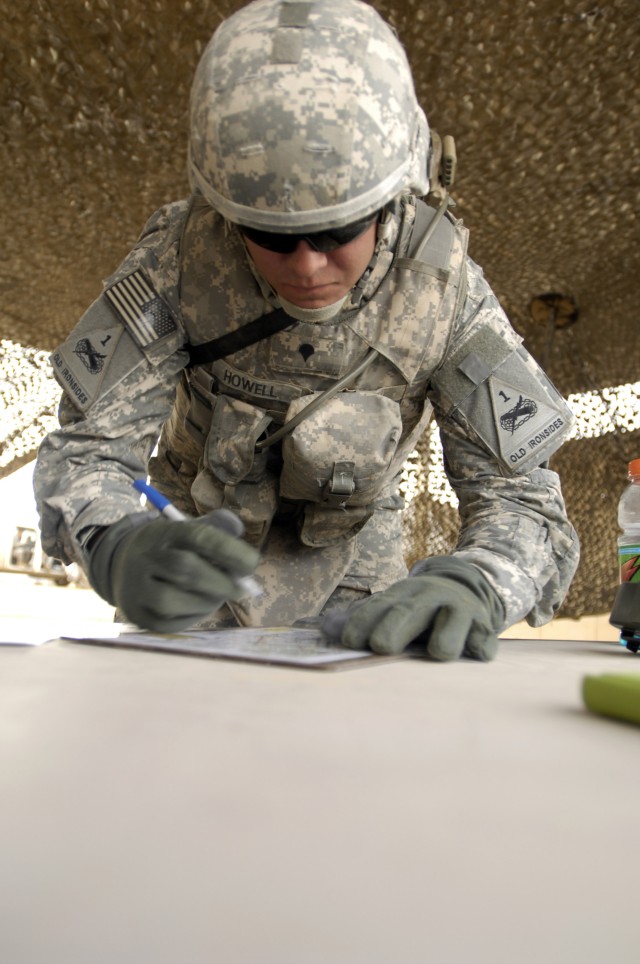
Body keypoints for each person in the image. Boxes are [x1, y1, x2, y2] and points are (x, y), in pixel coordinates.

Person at [34, 0, 580, 661]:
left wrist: (483, 578)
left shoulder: (442, 290)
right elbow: (88, 451)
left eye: (337, 231)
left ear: (394, 197)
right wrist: (115, 542)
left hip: (357, 576)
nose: (307, 266)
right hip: (189, 562)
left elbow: (518, 495)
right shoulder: (178, 261)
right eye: (271, 237)